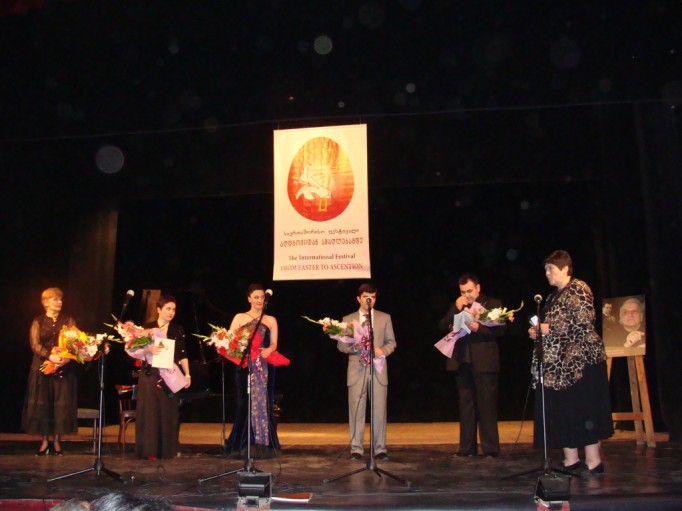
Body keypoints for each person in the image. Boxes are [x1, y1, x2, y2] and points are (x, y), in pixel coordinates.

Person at [528, 250, 614, 475]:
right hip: (559, 367)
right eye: (546, 270)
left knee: (583, 410)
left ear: (565, 269)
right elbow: (551, 327)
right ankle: (571, 459)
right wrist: (538, 331)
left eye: (551, 269)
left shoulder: (579, 288)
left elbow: (584, 321)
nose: (547, 273)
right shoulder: (552, 297)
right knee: (564, 411)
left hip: (581, 362)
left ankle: (594, 461)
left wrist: (549, 328)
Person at [438, 273, 505, 458]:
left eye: (469, 291)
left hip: (484, 362)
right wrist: (455, 309)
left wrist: (479, 328)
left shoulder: (492, 303)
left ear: (478, 288)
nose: (466, 295)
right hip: (462, 362)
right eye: (462, 292)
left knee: (487, 407)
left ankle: (490, 449)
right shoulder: (458, 305)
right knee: (466, 407)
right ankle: (466, 449)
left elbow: (501, 329)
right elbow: (443, 326)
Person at [337, 283, 397, 460]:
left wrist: (382, 350)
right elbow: (341, 345)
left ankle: (379, 449)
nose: (369, 300)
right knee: (356, 409)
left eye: (372, 297)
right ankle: (356, 448)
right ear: (359, 299)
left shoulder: (384, 318)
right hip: (357, 369)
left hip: (378, 369)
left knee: (379, 410)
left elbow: (391, 342)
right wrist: (354, 347)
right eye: (365, 297)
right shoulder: (348, 319)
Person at [130, 294, 191, 460]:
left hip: (170, 375)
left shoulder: (177, 329)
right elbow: (136, 350)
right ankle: (149, 450)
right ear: (159, 310)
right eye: (168, 309)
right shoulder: (147, 327)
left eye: (174, 309)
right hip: (150, 374)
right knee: (150, 411)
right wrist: (148, 350)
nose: (171, 312)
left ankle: (167, 450)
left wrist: (187, 374)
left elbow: (182, 354)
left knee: (168, 411)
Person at [224, 284, 282, 457]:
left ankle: (263, 443)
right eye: (256, 297)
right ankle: (243, 443)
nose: (259, 300)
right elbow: (230, 340)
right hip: (244, 365)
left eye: (262, 297)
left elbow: (274, 343)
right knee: (245, 403)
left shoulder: (270, 319)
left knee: (263, 402)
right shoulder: (240, 317)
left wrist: (269, 349)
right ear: (249, 298)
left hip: (263, 366)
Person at [21, 287, 78, 456]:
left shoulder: (68, 320)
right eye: (55, 299)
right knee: (44, 404)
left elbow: (75, 342)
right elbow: (35, 344)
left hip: (63, 368)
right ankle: (45, 441)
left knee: (60, 404)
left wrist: (66, 358)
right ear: (45, 302)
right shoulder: (38, 321)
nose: (59, 302)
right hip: (42, 367)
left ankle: (57, 441)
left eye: (60, 299)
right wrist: (49, 356)